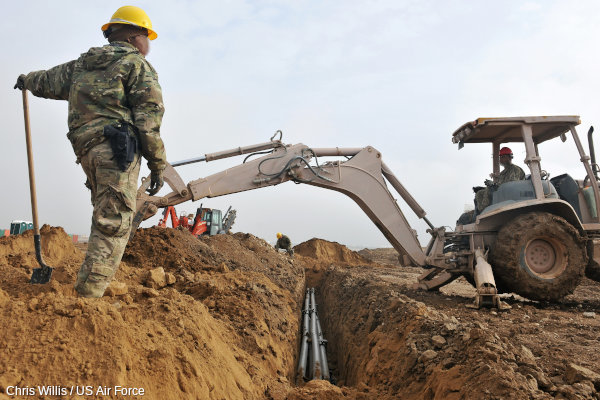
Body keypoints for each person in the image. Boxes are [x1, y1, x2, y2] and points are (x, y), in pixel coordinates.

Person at [14, 6, 167, 298]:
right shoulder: (137, 66)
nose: (149, 44)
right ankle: (88, 297)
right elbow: (149, 121)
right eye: (148, 37)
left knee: (104, 213)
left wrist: (27, 79)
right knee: (113, 222)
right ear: (136, 36)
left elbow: (46, 80)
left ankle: (90, 288)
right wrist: (158, 164)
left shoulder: (83, 65)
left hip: (86, 150)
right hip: (117, 151)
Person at [475, 147, 525, 213]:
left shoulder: (515, 169)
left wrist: (493, 185)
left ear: (510, 157)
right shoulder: (503, 172)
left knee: (488, 189)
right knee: (479, 193)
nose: (501, 159)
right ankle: (480, 212)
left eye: (503, 157)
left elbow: (511, 185)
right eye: (500, 157)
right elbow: (499, 183)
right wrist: (492, 184)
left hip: (511, 194)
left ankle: (484, 212)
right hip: (502, 192)